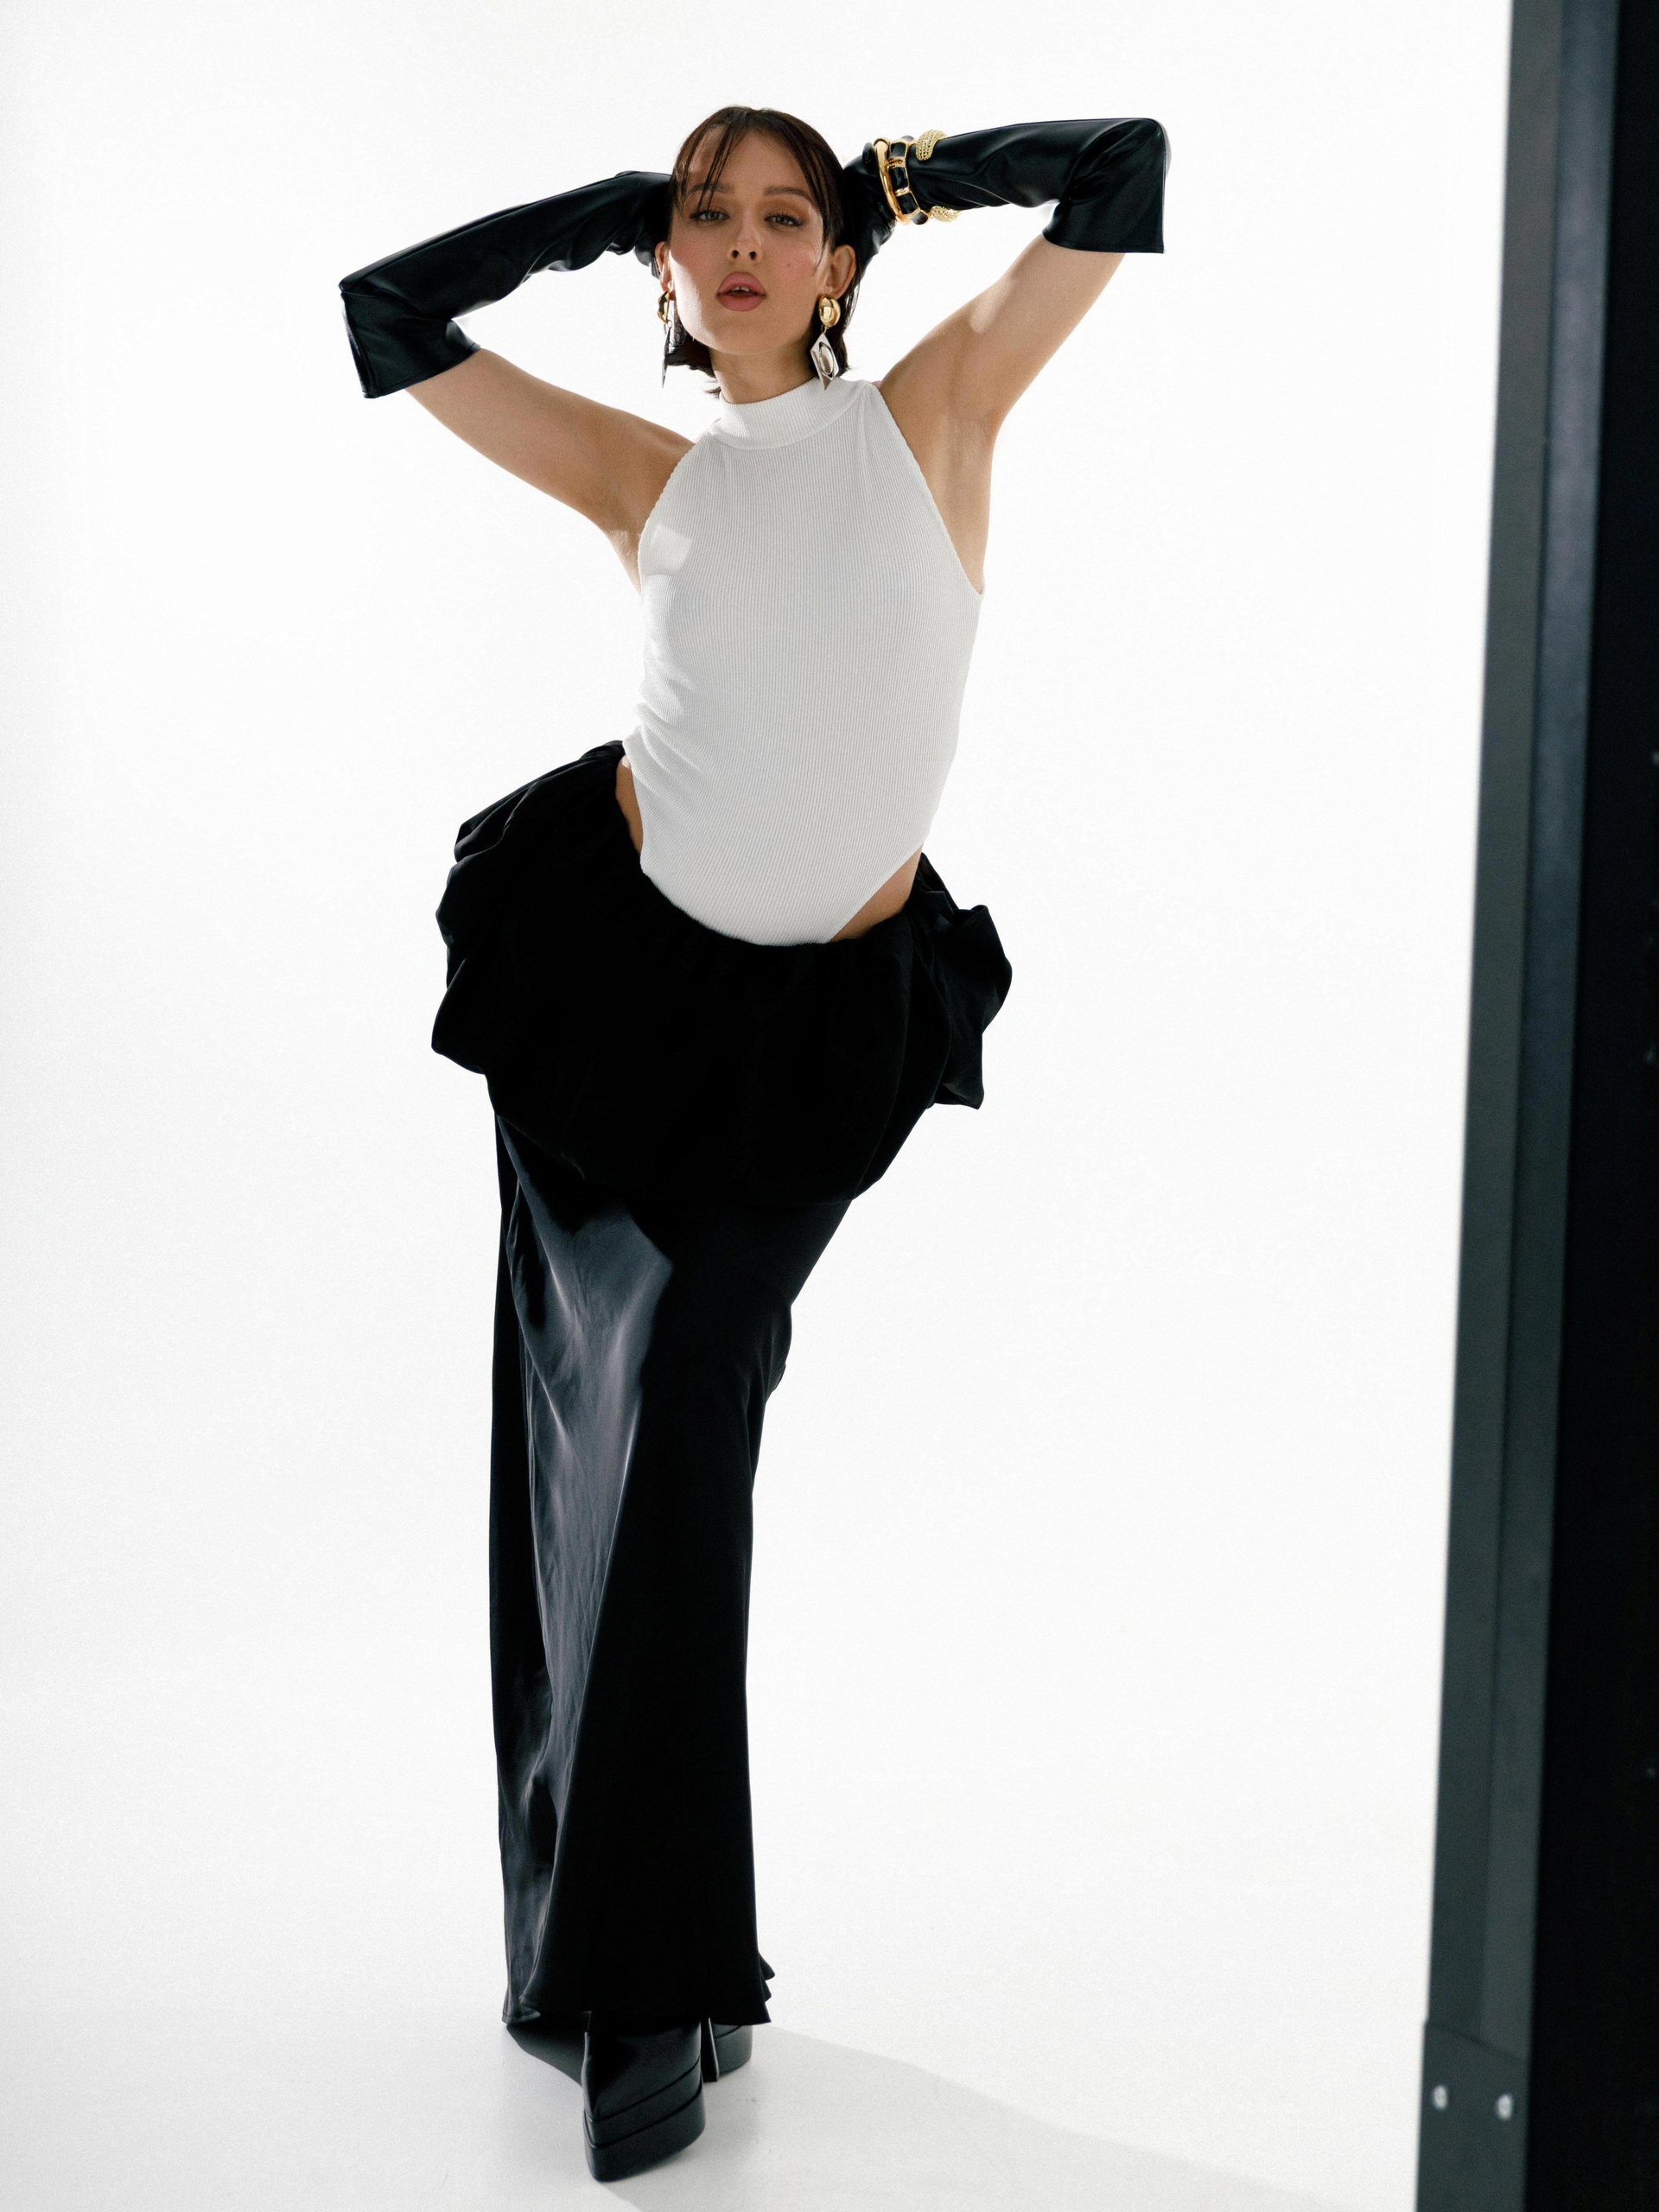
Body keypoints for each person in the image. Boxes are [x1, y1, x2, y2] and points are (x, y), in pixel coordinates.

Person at [339, 102, 1168, 2183]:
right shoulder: (653, 478)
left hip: (810, 1048)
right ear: (669, 266)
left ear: (840, 260)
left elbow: (1126, 169)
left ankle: (647, 1966)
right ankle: (618, 1962)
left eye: (781, 217)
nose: (739, 243)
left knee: (691, 1383)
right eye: (704, 218)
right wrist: (604, 214)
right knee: (600, 1438)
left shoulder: (938, 415)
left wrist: (904, 180)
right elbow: (385, 313)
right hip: (606, 1006)